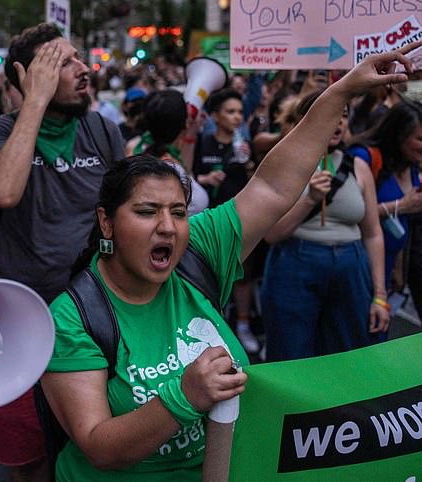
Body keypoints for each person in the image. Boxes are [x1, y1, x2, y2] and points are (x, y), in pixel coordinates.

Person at [40, 47, 412, 481]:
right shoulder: (71, 318)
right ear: (106, 221)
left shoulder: (197, 248)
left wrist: (342, 90)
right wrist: (183, 398)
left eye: (178, 212)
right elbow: (99, 446)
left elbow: (273, 186)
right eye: (146, 213)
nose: (168, 227)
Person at [0, 23, 124, 481]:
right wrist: (35, 101)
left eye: (79, 57)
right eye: (62, 63)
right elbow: (3, 191)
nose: (83, 69)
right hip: (23, 322)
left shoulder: (103, 131)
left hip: (93, 321)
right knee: (29, 458)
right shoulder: (4, 130)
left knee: (93, 444)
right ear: (27, 77)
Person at [260, 90, 388, 360]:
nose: (339, 122)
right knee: (292, 352)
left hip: (352, 266)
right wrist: (310, 200)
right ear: (308, 119)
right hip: (296, 264)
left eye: (343, 116)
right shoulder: (283, 163)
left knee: (347, 352)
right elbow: (271, 235)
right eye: (331, 114)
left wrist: (379, 295)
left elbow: (373, 234)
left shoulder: (358, 167)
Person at [192, 88, 259, 353]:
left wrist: (250, 163)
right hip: (208, 224)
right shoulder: (201, 142)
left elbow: (256, 183)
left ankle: (243, 324)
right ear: (216, 116)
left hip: (240, 220)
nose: (236, 118)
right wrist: (205, 180)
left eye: (240, 113)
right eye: (230, 112)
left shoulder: (244, 144)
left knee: (243, 276)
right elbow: (188, 176)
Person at [349, 100, 422, 319]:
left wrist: (399, 269)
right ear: (399, 135)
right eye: (420, 139)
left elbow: (403, 222)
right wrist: (399, 206)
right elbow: (350, 214)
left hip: (388, 269)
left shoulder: (409, 164)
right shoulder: (363, 158)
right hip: (358, 267)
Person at [126, 89, 208, 215]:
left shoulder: (134, 146)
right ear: (185, 123)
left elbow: (186, 170)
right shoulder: (170, 167)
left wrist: (190, 133)